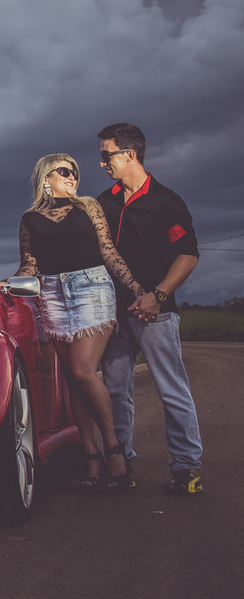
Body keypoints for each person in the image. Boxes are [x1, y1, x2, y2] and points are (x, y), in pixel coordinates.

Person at [13, 153, 145, 491]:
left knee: (84, 370)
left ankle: (113, 448)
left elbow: (108, 251)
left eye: (75, 172)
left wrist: (137, 290)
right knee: (73, 378)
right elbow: (30, 264)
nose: (72, 176)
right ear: (46, 177)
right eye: (64, 171)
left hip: (92, 289)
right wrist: (8, 284)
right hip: (52, 295)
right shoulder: (30, 218)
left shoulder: (87, 207)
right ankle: (91, 455)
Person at [96, 122, 203, 495]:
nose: (101, 163)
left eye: (106, 155)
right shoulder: (104, 202)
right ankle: (121, 465)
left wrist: (156, 295)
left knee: (171, 389)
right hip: (114, 315)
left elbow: (187, 255)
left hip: (155, 313)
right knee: (114, 391)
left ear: (130, 155)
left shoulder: (165, 201)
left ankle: (186, 468)